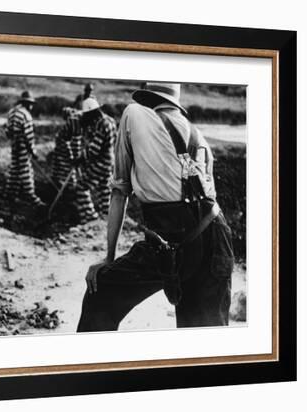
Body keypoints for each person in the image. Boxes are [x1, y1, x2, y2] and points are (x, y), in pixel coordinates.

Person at [76, 82, 234, 332]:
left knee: (102, 293)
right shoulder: (197, 134)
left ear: (147, 97)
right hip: (217, 236)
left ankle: (92, 368)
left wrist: (108, 257)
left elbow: (119, 192)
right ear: (175, 102)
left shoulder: (134, 113)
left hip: (171, 234)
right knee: (203, 341)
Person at [74, 97, 116, 223]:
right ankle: (107, 217)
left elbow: (94, 150)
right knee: (104, 190)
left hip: (101, 163)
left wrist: (80, 158)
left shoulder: (102, 124)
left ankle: (91, 218)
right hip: (110, 162)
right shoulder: (111, 121)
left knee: (81, 187)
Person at [3, 91, 45, 207]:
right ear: (28, 103)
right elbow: (29, 137)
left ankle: (9, 194)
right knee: (26, 171)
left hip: (14, 146)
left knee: (15, 170)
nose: (32, 106)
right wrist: (33, 152)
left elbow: (7, 131)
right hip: (22, 147)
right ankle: (31, 196)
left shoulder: (12, 112)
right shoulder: (26, 115)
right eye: (31, 104)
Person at [51, 107, 83, 188]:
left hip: (70, 146)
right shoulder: (74, 121)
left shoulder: (74, 120)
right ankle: (69, 185)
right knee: (68, 167)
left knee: (69, 166)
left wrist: (72, 154)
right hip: (67, 147)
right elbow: (65, 139)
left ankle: (71, 185)